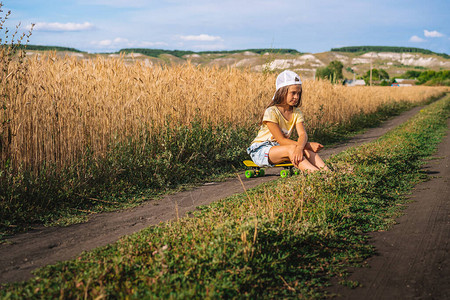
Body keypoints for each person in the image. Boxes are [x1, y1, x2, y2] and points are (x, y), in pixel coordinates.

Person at [247, 70, 328, 172]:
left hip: (280, 148)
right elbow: (281, 140)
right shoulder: (271, 112)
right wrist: (304, 146)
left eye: (298, 93)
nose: (296, 97)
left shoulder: (296, 112)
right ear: (282, 92)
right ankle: (317, 175)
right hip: (261, 150)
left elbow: (303, 134)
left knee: (306, 150)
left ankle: (328, 173)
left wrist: (302, 147)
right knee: (295, 149)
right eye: (293, 93)